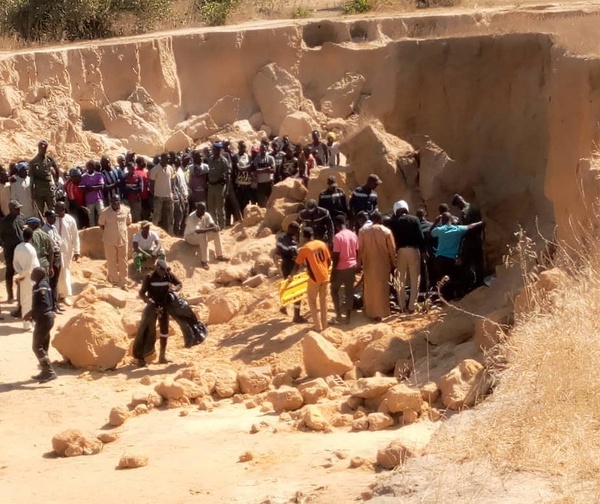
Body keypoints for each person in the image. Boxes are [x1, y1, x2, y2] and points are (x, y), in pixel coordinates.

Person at [430, 212, 485, 300]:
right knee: (453, 277)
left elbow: (431, 233)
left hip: (439, 259)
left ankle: (446, 299)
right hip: (450, 260)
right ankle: (454, 296)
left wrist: (436, 222)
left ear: (442, 220)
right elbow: (470, 226)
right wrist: (481, 223)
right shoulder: (457, 229)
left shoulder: (439, 230)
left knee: (442, 280)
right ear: (450, 220)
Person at [137, 260, 183, 366]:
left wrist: (175, 289)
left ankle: (162, 356)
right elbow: (142, 292)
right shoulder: (149, 277)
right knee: (147, 330)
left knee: (164, 330)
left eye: (164, 271)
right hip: (153, 306)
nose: (163, 274)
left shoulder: (169, 275)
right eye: (161, 271)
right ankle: (141, 358)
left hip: (164, 305)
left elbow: (179, 284)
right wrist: (147, 300)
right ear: (157, 269)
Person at [358, 211, 396, 321]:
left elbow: (360, 249)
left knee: (370, 288)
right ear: (381, 220)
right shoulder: (386, 231)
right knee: (383, 287)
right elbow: (392, 249)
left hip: (368, 263)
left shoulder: (362, 231)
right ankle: (383, 311)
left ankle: (371, 312)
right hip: (383, 263)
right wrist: (394, 263)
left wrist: (359, 263)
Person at [389, 200, 425, 313]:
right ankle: (412, 306)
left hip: (399, 252)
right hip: (413, 250)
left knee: (400, 279)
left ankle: (401, 305)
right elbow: (420, 237)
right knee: (415, 279)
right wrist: (424, 252)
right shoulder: (414, 219)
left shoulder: (392, 222)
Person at [292, 227, 331, 332]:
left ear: (304, 237)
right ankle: (325, 325)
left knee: (312, 302)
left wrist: (290, 276)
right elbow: (329, 261)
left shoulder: (305, 248)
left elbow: (296, 265)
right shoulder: (322, 244)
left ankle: (317, 327)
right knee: (323, 302)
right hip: (325, 276)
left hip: (315, 279)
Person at [26, 267, 57, 383]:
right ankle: (45, 371)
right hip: (47, 318)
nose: (31, 274)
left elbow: (43, 304)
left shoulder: (40, 286)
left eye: (33, 273)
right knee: (43, 346)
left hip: (44, 319)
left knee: (36, 346)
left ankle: (49, 371)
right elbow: (53, 299)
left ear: (38, 275)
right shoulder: (46, 284)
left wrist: (32, 313)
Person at [98, 195, 132, 289]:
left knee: (123, 261)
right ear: (110, 202)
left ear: (120, 201)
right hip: (109, 240)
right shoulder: (105, 212)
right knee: (111, 260)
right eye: (114, 201)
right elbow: (101, 225)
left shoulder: (126, 210)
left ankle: (124, 282)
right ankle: (114, 282)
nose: (116, 203)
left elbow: (128, 223)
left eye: (117, 201)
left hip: (122, 239)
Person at [452, 193, 485, 287]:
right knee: (479, 261)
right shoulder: (474, 207)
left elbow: (466, 227)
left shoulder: (464, 212)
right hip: (478, 238)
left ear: (459, 203)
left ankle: (468, 284)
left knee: (466, 262)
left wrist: (458, 224)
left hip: (470, 239)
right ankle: (480, 281)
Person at [275, 221, 305, 324]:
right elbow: (296, 257)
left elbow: (278, 250)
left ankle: (283, 306)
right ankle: (297, 316)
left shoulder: (280, 239)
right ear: (293, 230)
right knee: (297, 290)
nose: (298, 232)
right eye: (297, 230)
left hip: (284, 264)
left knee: (286, 285)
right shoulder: (292, 243)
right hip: (291, 266)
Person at [330, 215, 358, 325]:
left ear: (337, 225)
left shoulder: (337, 237)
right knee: (349, 292)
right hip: (352, 266)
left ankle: (338, 315)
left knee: (334, 290)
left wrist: (333, 272)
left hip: (341, 267)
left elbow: (336, 256)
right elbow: (357, 251)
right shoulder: (353, 235)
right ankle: (348, 318)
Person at [184, 202, 228, 270]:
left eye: (204, 209)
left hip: (201, 234)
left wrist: (215, 227)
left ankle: (219, 255)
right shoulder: (191, 217)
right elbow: (198, 231)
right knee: (202, 235)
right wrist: (211, 229)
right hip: (190, 237)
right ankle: (204, 261)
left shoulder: (206, 214)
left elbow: (211, 224)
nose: (203, 211)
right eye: (202, 210)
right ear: (197, 209)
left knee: (215, 232)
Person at [13, 228, 40, 330]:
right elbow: (29, 266)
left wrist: (20, 274)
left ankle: (28, 323)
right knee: (30, 301)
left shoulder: (17, 248)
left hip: (23, 277)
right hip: (30, 277)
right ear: (31, 237)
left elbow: (15, 263)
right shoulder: (31, 249)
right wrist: (24, 275)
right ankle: (28, 324)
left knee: (24, 301)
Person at [55, 201, 80, 304]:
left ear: (63, 209)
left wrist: (77, 250)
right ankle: (56, 294)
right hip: (55, 250)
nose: (57, 211)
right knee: (56, 271)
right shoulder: (53, 219)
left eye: (59, 209)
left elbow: (75, 236)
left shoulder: (70, 220)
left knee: (65, 271)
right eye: (56, 209)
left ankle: (65, 295)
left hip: (66, 250)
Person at [0, 200, 25, 302]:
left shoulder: (20, 218)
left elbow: (22, 229)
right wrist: (4, 245)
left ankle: (22, 295)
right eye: (17, 209)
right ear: (10, 210)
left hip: (21, 249)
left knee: (23, 272)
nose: (19, 210)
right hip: (10, 250)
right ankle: (10, 295)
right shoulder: (3, 222)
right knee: (10, 271)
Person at [42, 210, 63, 313]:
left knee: (56, 282)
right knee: (52, 282)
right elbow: (49, 247)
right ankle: (53, 305)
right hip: (52, 256)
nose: (54, 219)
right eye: (52, 217)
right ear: (48, 218)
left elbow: (59, 241)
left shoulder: (53, 228)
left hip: (58, 254)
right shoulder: (44, 230)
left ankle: (56, 304)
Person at [29, 140, 58, 213]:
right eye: (42, 148)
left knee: (53, 209)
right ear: (39, 148)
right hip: (39, 190)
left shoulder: (49, 159)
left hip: (49, 189)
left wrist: (56, 183)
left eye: (45, 148)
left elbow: (56, 170)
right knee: (40, 211)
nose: (43, 150)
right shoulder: (33, 162)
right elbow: (31, 178)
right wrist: (32, 193)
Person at [149, 153, 174, 235]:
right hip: (158, 196)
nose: (168, 160)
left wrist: (172, 192)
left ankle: (170, 233)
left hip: (169, 196)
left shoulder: (170, 168)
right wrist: (154, 194)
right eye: (167, 158)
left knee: (170, 215)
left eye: (169, 158)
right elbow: (151, 184)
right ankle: (153, 233)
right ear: (161, 158)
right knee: (156, 216)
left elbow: (172, 181)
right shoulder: (155, 169)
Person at [206, 142, 230, 229]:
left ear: (218, 150)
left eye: (214, 149)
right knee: (211, 209)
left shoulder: (223, 161)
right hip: (211, 186)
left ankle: (222, 227)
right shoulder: (210, 159)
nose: (213, 151)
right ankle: (214, 227)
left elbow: (228, 176)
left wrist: (226, 189)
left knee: (220, 209)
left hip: (219, 187)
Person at [79, 160, 105, 226]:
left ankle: (103, 228)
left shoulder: (99, 175)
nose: (90, 168)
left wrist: (89, 187)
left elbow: (101, 187)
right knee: (91, 218)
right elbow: (82, 189)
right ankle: (93, 232)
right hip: (89, 201)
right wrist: (95, 187)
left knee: (102, 213)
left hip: (98, 198)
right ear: (87, 167)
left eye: (92, 166)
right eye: (89, 166)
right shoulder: (83, 177)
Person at [416, 207, 434, 295]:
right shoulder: (431, 225)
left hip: (418, 253)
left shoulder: (415, 227)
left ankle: (422, 294)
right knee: (432, 273)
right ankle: (434, 293)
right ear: (425, 214)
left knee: (421, 274)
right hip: (431, 252)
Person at [232, 141, 255, 212]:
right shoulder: (235, 157)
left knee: (246, 205)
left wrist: (241, 168)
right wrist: (245, 168)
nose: (243, 148)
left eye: (244, 147)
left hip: (248, 184)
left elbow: (251, 167)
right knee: (239, 204)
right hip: (239, 185)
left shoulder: (248, 157)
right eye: (242, 147)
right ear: (238, 147)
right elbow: (237, 168)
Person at [253, 143, 275, 207]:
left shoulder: (271, 158)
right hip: (260, 184)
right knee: (261, 204)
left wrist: (261, 170)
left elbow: (273, 170)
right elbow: (255, 171)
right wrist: (267, 169)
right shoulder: (256, 159)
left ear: (267, 150)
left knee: (271, 202)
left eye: (265, 150)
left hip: (269, 183)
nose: (263, 151)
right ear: (260, 150)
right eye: (262, 150)